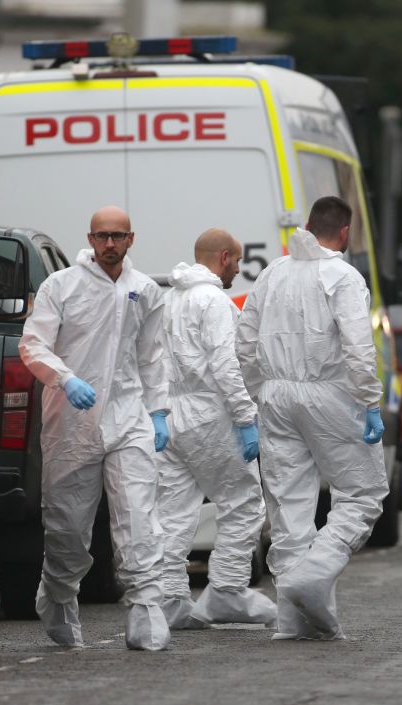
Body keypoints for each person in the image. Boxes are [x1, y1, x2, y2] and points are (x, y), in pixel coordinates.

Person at [18, 206, 172, 651]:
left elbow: (153, 356)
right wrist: (64, 377)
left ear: (131, 239)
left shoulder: (144, 291)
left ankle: (146, 608)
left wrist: (158, 411)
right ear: (89, 237)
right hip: (71, 420)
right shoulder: (61, 286)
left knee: (139, 514)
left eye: (117, 236)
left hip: (128, 417)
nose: (109, 244)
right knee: (67, 525)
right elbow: (33, 344)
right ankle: (60, 596)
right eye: (102, 236)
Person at [236, 196, 388, 640]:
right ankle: (313, 575)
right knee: (362, 492)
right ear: (344, 232)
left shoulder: (271, 274)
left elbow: (244, 342)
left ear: (306, 225)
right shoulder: (343, 276)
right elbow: (359, 348)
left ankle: (293, 620)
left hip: (276, 395)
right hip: (330, 394)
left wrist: (258, 392)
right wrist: (371, 401)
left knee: (289, 505)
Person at [155, 228, 277, 629]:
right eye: (238, 262)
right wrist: (245, 419)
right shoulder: (214, 302)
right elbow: (227, 367)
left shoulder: (169, 300)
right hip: (210, 415)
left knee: (174, 511)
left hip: (170, 415)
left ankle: (170, 599)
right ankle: (225, 591)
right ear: (224, 257)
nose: (238, 271)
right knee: (243, 502)